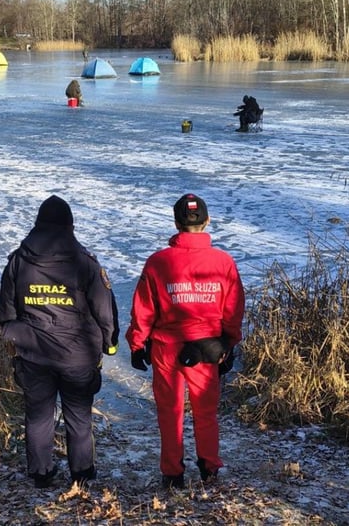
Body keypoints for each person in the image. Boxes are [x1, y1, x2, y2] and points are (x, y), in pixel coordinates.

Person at [0, 195, 119, 489]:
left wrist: (19, 337)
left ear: (38, 223)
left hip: (34, 354)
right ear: (70, 225)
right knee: (78, 415)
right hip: (78, 355)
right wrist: (109, 343)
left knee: (38, 415)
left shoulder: (18, 260)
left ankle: (41, 473)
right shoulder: (86, 262)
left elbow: (5, 313)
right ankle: (82, 472)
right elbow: (104, 309)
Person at [127, 193, 245, 489]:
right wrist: (229, 343)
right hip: (207, 348)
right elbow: (233, 309)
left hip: (166, 348)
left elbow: (143, 309)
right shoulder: (223, 262)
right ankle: (209, 467)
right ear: (207, 221)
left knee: (170, 412)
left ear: (176, 222)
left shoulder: (158, 262)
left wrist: (137, 343)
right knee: (206, 413)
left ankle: (172, 474)